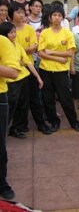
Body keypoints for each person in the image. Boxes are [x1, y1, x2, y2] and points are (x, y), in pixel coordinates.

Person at [37, 4, 79, 133]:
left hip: (61, 72)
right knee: (48, 98)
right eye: (54, 15)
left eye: (59, 15)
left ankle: (74, 122)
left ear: (62, 18)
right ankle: (54, 122)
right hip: (45, 70)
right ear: (50, 18)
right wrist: (57, 58)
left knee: (66, 98)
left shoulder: (67, 33)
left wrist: (51, 52)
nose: (57, 18)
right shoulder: (45, 33)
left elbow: (70, 53)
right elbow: (41, 53)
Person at [0, 22, 44, 138]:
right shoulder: (3, 47)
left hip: (23, 78)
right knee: (10, 107)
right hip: (11, 82)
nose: (14, 34)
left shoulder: (17, 45)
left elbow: (28, 62)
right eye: (11, 32)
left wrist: (38, 77)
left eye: (14, 32)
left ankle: (17, 128)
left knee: (23, 105)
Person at [0, 35, 20, 200]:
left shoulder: (3, 41)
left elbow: (13, 73)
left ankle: (2, 183)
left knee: (0, 145)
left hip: (0, 97)